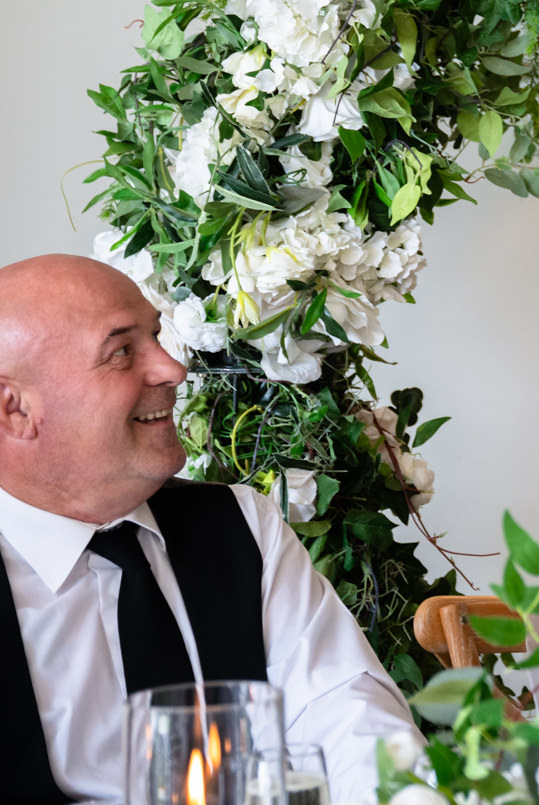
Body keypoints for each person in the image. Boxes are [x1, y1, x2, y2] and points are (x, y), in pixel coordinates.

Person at [0, 254, 416, 804]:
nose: (173, 368)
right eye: (122, 351)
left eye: (155, 335)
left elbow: (345, 714)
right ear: (14, 410)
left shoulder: (242, 526)